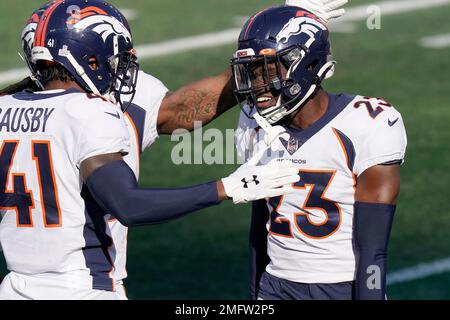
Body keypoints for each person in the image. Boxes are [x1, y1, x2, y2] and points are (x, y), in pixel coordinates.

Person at [0, 0, 349, 297]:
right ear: (89, 61)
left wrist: (263, 55)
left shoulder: (6, 106)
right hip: (83, 284)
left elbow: (177, 112)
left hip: (15, 286)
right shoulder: (90, 110)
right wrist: (227, 188)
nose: (122, 70)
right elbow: (128, 205)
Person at [232, 5, 407, 300]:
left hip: (342, 287)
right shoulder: (254, 124)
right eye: (251, 72)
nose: (258, 84)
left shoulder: (366, 123)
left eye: (269, 71)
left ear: (308, 65)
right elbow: (259, 228)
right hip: (276, 287)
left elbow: (373, 249)